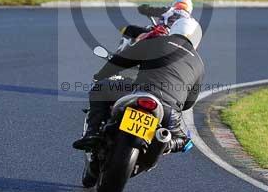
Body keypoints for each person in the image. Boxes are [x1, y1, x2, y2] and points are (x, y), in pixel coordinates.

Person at [72, 16, 205, 154]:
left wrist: (100, 76)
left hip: (138, 92)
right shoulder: (199, 64)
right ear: (196, 40)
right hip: (169, 111)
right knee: (184, 140)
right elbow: (189, 103)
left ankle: (92, 133)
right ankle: (166, 144)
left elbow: (120, 60)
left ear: (175, 28)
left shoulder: (157, 42)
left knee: (100, 88)